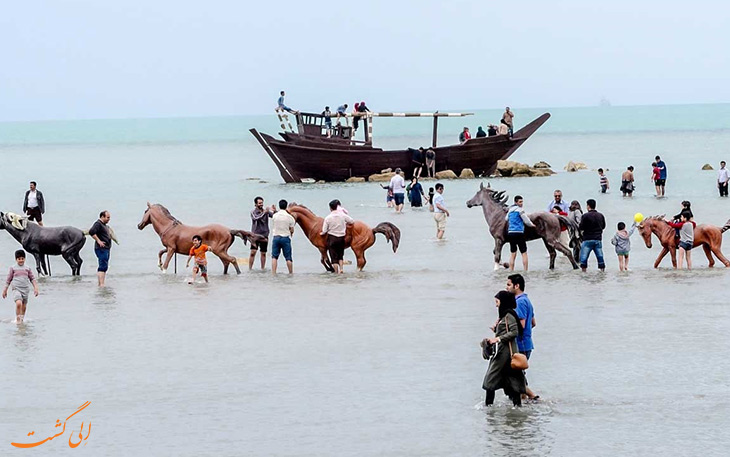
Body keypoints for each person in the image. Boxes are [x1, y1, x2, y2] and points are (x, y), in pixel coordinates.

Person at [482, 290, 526, 407]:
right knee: (512, 379)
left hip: (504, 353)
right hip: (504, 352)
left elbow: (515, 332)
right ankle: (517, 406)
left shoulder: (508, 315)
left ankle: (488, 407)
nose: (496, 304)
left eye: (497, 301)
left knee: (491, 378)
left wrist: (498, 338)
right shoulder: (505, 315)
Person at [507, 274, 539, 401]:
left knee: (515, 375)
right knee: (519, 374)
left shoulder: (519, 302)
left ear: (517, 286)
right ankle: (524, 398)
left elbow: (522, 324)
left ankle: (533, 396)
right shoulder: (527, 301)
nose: (507, 287)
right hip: (527, 343)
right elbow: (533, 323)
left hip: (520, 344)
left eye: (509, 284)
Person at [2, 250, 39, 324]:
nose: (21, 260)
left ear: (25, 259)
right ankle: (18, 319)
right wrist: (5, 290)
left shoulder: (27, 268)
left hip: (25, 289)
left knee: (24, 305)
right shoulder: (13, 268)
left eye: (22, 258)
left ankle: (22, 319)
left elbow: (32, 279)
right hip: (16, 289)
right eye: (19, 259)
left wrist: (36, 288)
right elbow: (8, 280)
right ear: (16, 259)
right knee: (19, 303)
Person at [321, 199, 354, 274]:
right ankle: (341, 269)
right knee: (340, 255)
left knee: (334, 257)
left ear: (330, 208)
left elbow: (324, 230)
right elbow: (351, 221)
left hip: (332, 238)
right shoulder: (343, 215)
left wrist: (322, 233)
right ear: (337, 207)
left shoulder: (328, 218)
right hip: (341, 238)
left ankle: (336, 272)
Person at [505, 195, 536, 271]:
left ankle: (511, 270)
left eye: (522, 202)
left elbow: (506, 219)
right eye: (520, 202)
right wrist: (532, 225)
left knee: (513, 253)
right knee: (524, 252)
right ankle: (525, 270)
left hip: (511, 233)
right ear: (516, 202)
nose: (521, 203)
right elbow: (526, 221)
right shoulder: (520, 210)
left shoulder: (510, 210)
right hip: (519, 232)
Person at [578, 199, 606, 272]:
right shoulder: (600, 215)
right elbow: (603, 226)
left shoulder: (585, 216)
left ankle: (584, 272)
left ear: (588, 206)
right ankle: (602, 271)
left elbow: (581, 227)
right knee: (600, 256)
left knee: (584, 257)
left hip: (587, 238)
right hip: (598, 238)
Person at [270, 199, 295, 275]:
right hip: (285, 237)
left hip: (276, 237)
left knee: (274, 257)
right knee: (288, 257)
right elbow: (292, 229)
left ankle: (273, 273)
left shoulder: (275, 216)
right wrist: (291, 233)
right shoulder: (289, 217)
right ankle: (290, 273)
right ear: (286, 206)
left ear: (279, 206)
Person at [250, 197, 275, 270]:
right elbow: (256, 218)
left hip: (264, 235)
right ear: (255, 204)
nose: (261, 204)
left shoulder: (265, 212)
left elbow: (274, 216)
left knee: (263, 253)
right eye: (259, 203)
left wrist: (275, 210)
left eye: (262, 203)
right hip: (255, 235)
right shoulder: (253, 212)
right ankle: (250, 269)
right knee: (253, 252)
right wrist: (264, 213)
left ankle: (262, 269)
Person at [89, 210, 112, 286]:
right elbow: (91, 232)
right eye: (107, 217)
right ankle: (101, 284)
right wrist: (99, 241)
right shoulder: (98, 224)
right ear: (102, 217)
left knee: (105, 266)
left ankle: (101, 283)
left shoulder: (104, 225)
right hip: (101, 248)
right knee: (102, 266)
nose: (109, 219)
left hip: (106, 248)